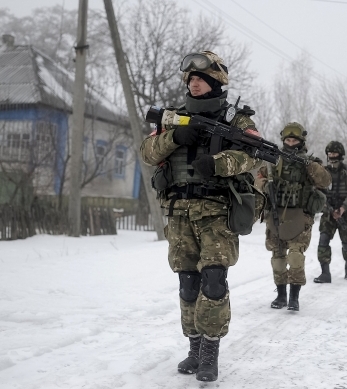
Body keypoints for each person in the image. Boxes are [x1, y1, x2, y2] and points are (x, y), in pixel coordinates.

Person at [140, 51, 264, 382]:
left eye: (200, 80)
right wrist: (174, 138)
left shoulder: (237, 121)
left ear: (215, 83)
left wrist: (219, 163)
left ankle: (210, 352)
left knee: (213, 280)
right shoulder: (174, 117)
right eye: (191, 80)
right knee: (187, 282)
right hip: (179, 211)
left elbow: (253, 156)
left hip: (216, 213)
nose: (194, 84)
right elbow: (147, 153)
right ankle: (193, 348)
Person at [256, 122, 331, 311]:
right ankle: (281, 295)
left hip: (300, 215)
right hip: (276, 213)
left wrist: (308, 164)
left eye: (294, 139)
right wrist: (265, 185)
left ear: (301, 141)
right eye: (288, 139)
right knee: (278, 257)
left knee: (296, 256)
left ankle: (294, 297)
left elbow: (325, 181)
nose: (291, 142)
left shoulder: (309, 162)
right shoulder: (274, 159)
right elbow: (258, 179)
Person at [314, 141, 347, 282]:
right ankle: (325, 273)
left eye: (334, 153)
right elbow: (317, 192)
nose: (331, 156)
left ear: (340, 155)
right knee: (323, 241)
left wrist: (343, 208)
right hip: (329, 213)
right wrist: (327, 208)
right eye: (329, 153)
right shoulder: (323, 172)